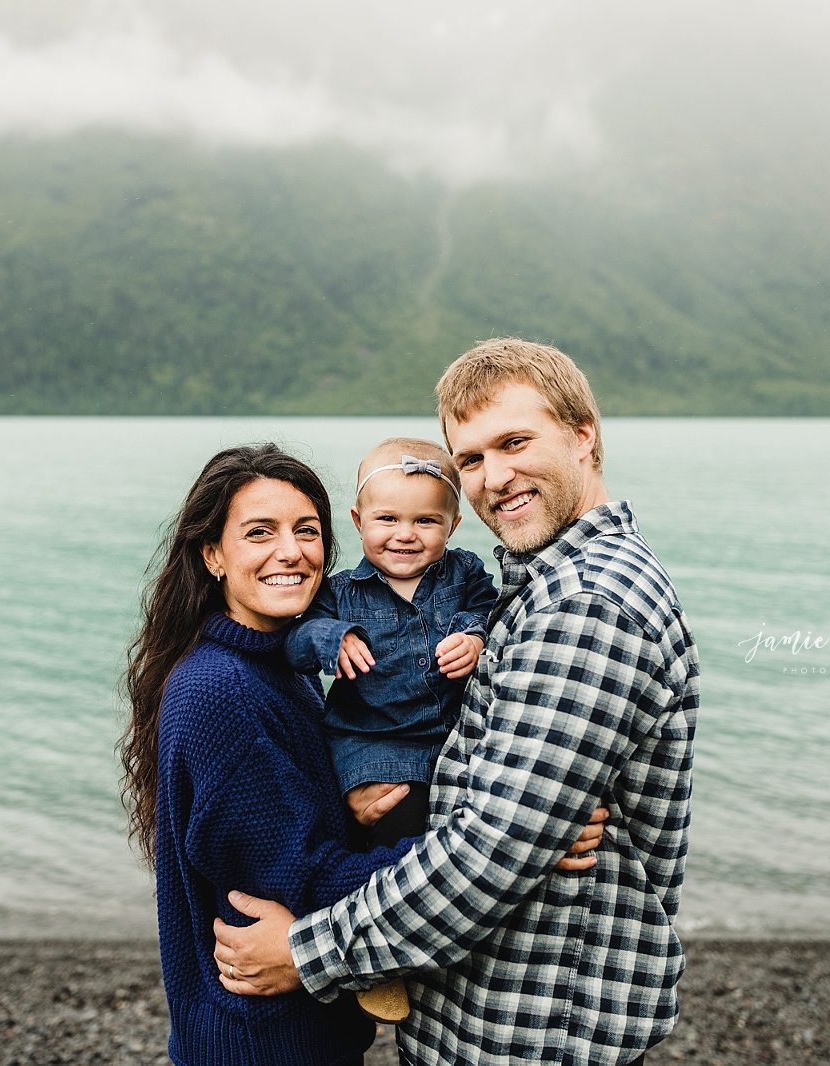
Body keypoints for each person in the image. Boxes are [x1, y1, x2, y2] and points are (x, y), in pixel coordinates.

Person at [214, 340, 701, 1066]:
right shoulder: (536, 585)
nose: (494, 477)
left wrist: (306, 953)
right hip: (494, 1003)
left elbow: (491, 856)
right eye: (470, 459)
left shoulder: (588, 607)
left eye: (514, 442)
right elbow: (504, 812)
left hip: (532, 1022)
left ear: (583, 435)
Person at [120, 442, 608, 1066]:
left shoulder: (277, 668)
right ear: (212, 554)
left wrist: (359, 810)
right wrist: (515, 841)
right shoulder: (222, 691)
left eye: (306, 530)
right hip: (260, 1042)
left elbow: (285, 825)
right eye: (259, 532)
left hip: (297, 1031)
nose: (291, 551)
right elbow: (300, 878)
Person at [283, 437, 498, 1021]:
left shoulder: (465, 573)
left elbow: (491, 610)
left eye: (425, 520)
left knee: (454, 837)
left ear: (452, 524)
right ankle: (378, 964)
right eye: (387, 519)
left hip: (446, 738)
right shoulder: (341, 593)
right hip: (370, 743)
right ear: (357, 522)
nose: (405, 534)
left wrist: (475, 638)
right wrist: (334, 639)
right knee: (390, 838)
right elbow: (296, 642)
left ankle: (439, 945)